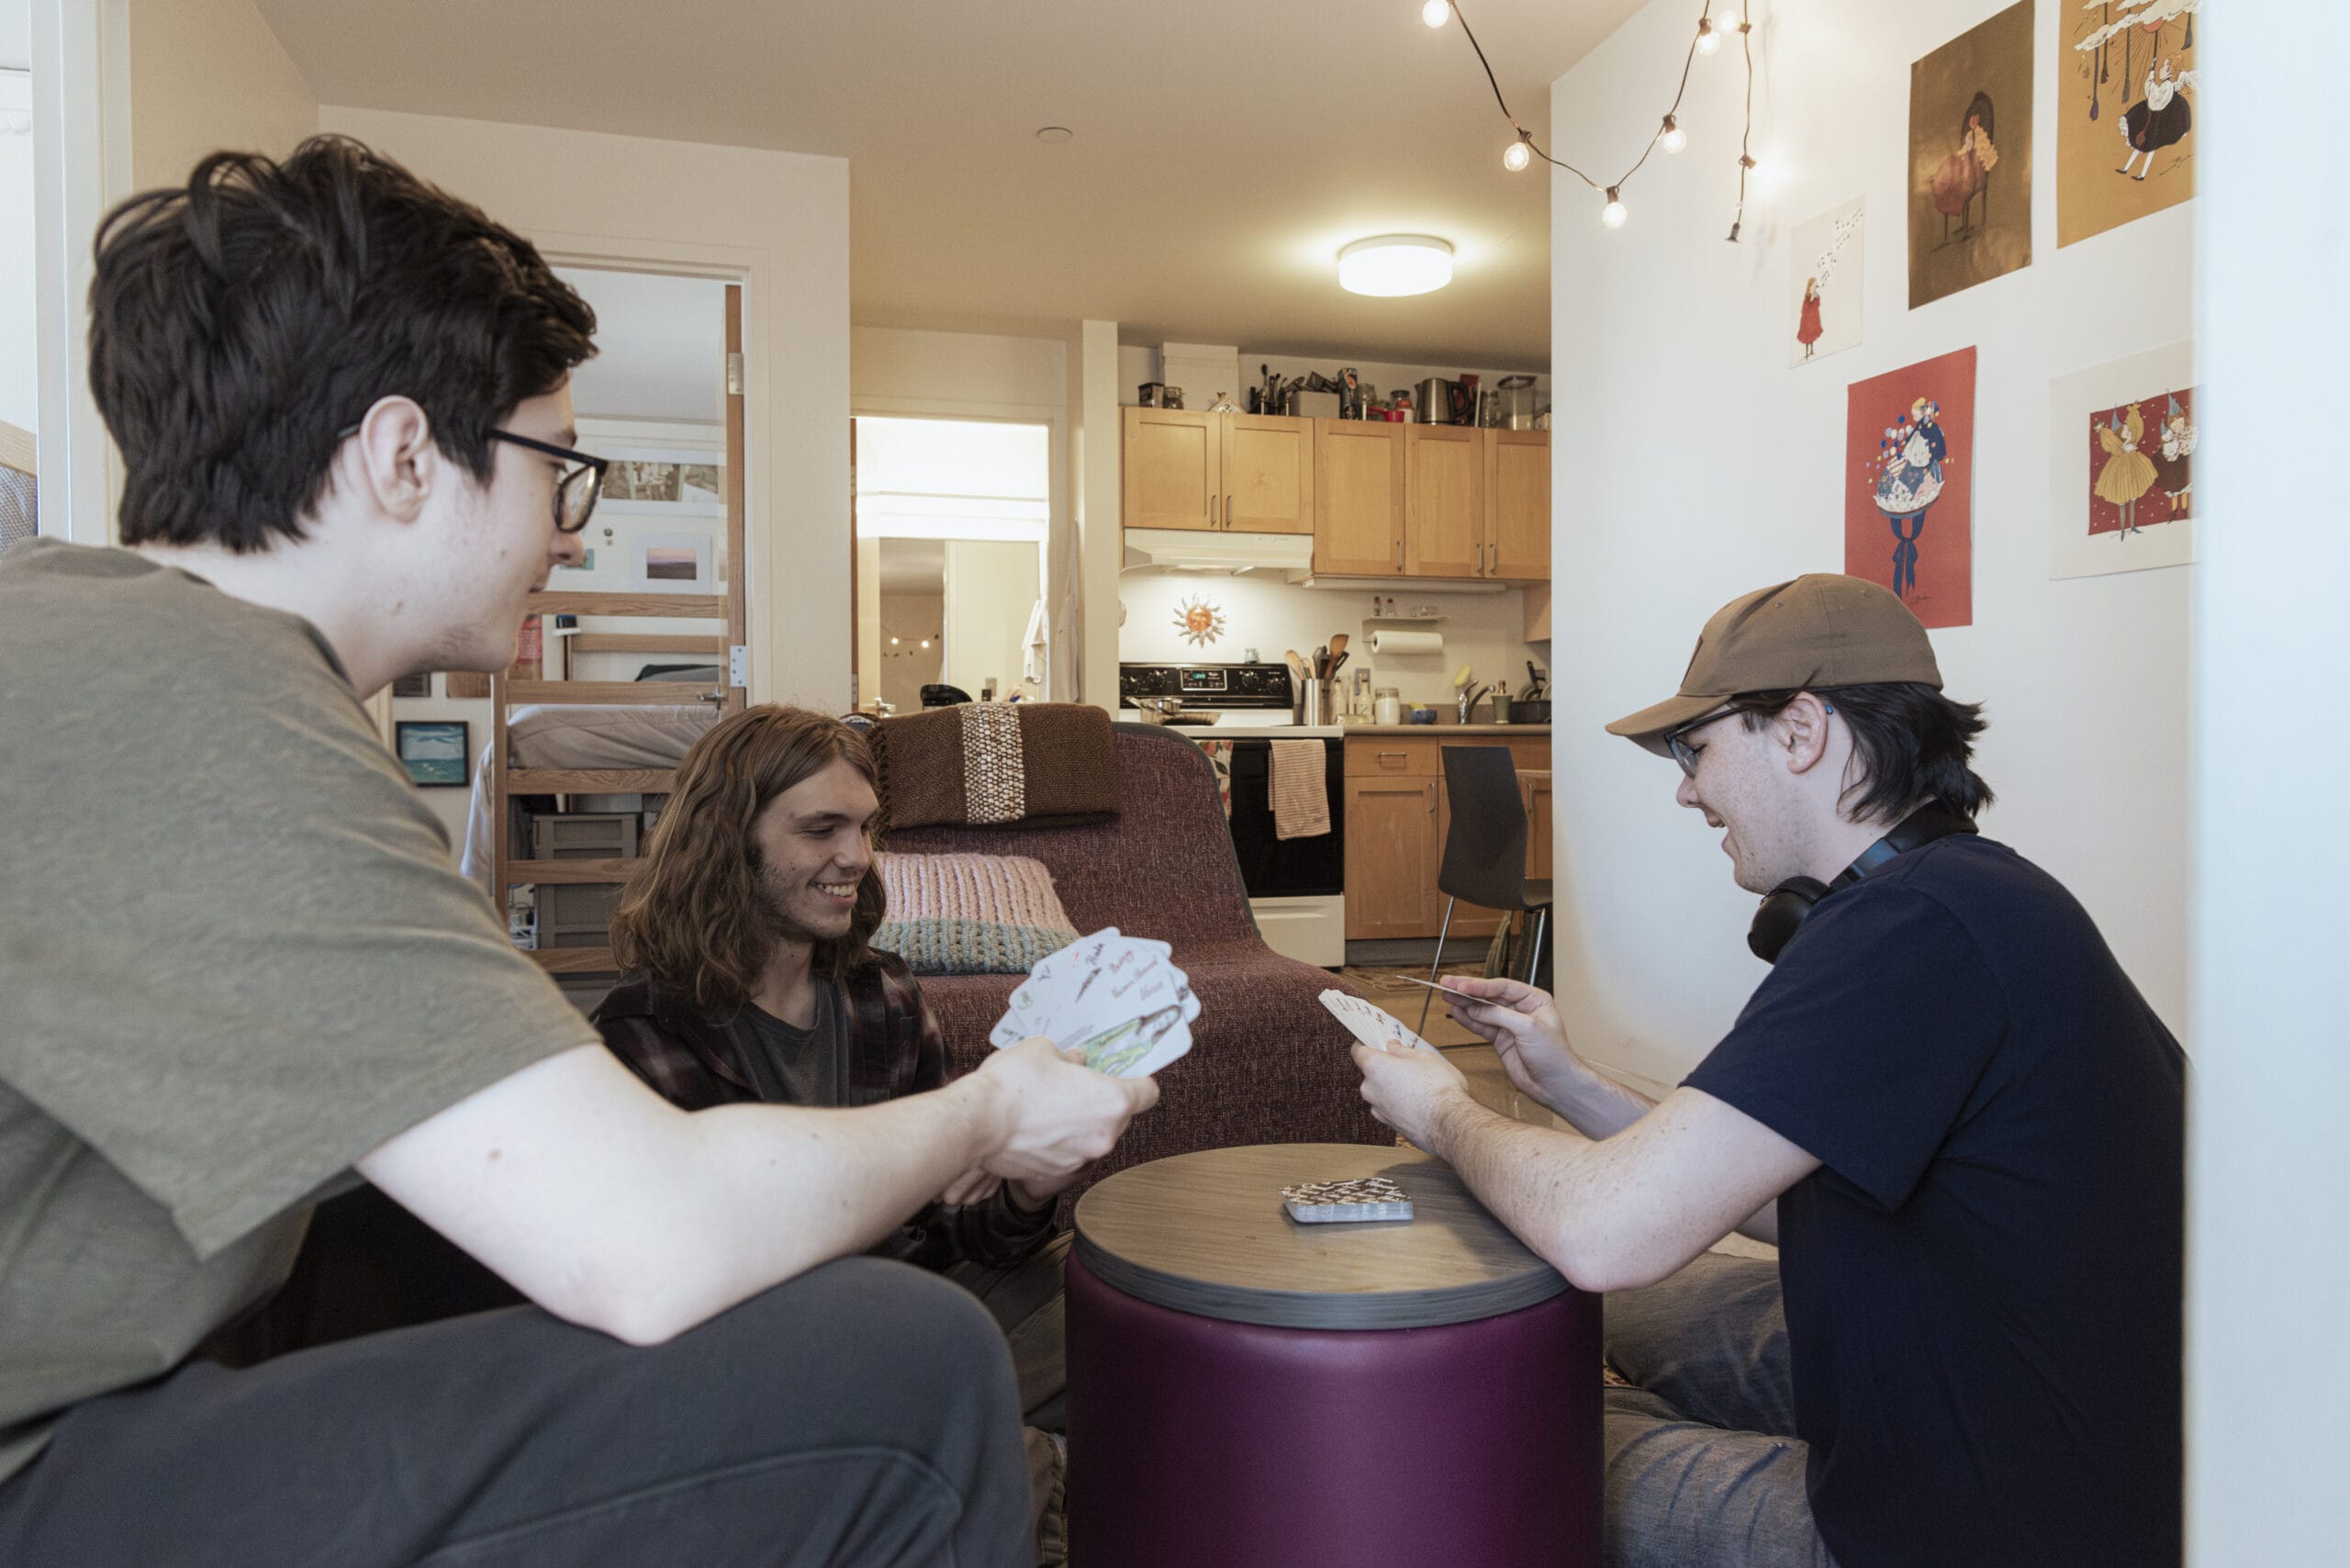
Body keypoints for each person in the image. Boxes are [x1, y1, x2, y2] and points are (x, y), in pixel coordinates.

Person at [0, 136, 1155, 1567]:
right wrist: (991, 1115)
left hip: (104, 1404)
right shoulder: (200, 705)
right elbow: (649, 1234)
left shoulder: (84, 638)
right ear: (403, 454)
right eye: (558, 466)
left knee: (414, 1234)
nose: (562, 522)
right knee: (903, 1370)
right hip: (40, 1477)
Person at [1348, 574, 2183, 1568]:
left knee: (1507, 1420)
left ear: (1799, 731)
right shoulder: (1975, 894)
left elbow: (1603, 1232)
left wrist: (1440, 1109)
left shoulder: (1904, 932)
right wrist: (1563, 1082)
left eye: (1693, 750)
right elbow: (1795, 1201)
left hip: (1977, 1521)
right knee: (1614, 1314)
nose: (1685, 788)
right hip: (2003, 1388)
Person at [592, 702, 1080, 1562]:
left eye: (864, 828)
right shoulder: (649, 1030)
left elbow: (961, 1225)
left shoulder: (881, 992)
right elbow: (704, 1277)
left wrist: (1029, 1182)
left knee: (1130, 1303)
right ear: (729, 839)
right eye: (821, 830)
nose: (855, 857)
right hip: (775, 1356)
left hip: (922, 1299)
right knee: (1002, 1439)